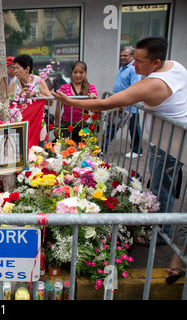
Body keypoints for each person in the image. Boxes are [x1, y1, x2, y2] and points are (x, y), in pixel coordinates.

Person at [52, 36, 187, 249]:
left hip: (167, 146)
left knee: (164, 188)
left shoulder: (153, 84)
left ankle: (161, 232)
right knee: (163, 185)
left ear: (156, 63)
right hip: (169, 141)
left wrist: (68, 101)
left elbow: (106, 103)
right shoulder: (174, 66)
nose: (133, 64)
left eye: (139, 61)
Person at [103, 46, 143, 157]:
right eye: (121, 55)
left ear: (132, 56)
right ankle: (102, 147)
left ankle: (137, 150)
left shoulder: (133, 69)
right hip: (119, 104)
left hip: (129, 106)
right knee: (111, 126)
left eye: (125, 55)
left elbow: (134, 87)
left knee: (134, 129)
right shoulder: (123, 67)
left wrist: (124, 103)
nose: (122, 57)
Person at [9, 54, 51, 150]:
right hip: (19, 125)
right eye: (14, 68)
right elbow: (8, 101)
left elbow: (50, 100)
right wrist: (18, 95)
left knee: (38, 152)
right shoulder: (13, 83)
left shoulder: (38, 81)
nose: (14, 71)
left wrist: (36, 94)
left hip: (36, 124)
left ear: (27, 69)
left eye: (17, 68)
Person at [54, 61, 98, 143]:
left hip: (82, 126)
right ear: (71, 73)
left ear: (85, 73)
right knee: (65, 152)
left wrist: (93, 97)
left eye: (81, 72)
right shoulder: (64, 88)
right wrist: (56, 126)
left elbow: (95, 107)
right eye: (75, 72)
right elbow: (58, 109)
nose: (78, 75)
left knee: (84, 152)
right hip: (66, 125)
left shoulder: (91, 88)